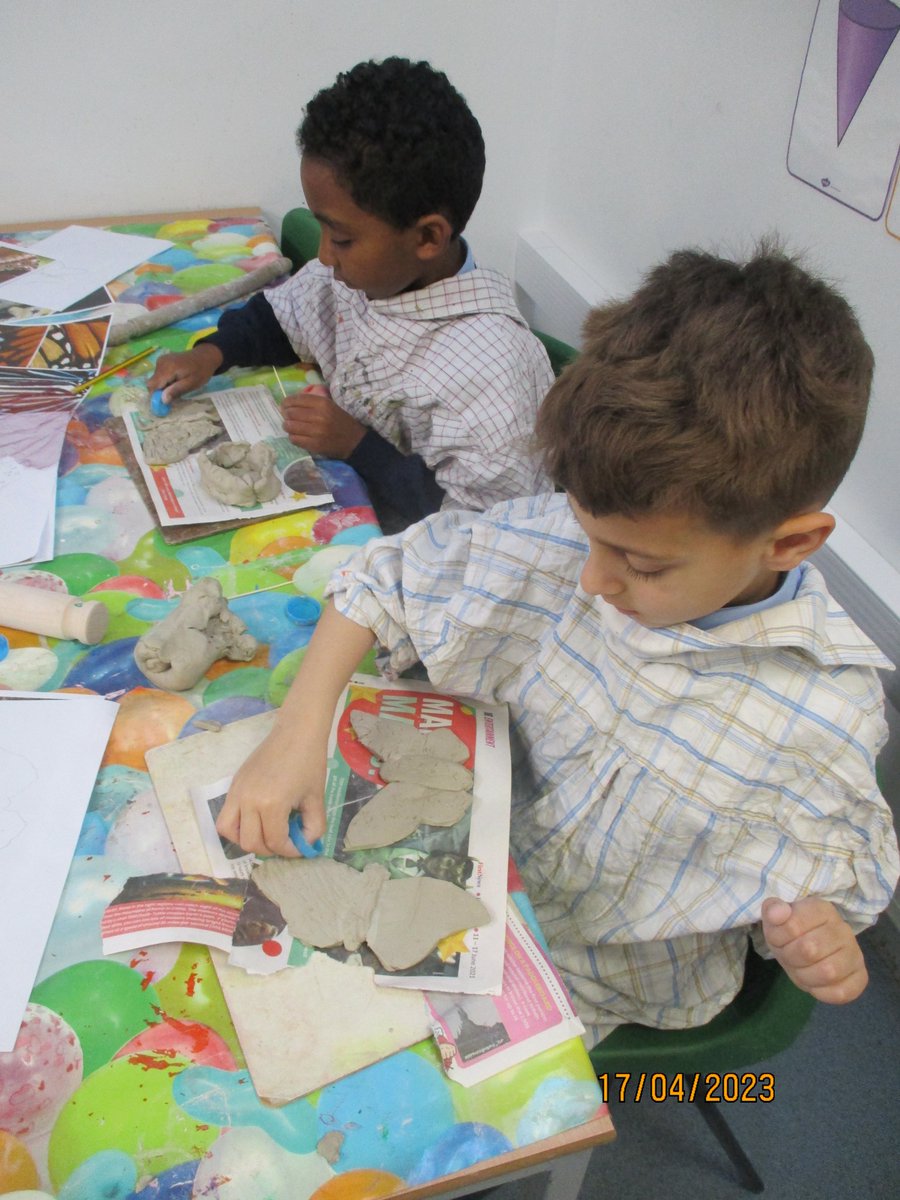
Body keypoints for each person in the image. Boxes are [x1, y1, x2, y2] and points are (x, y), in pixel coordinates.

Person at [217, 243, 898, 1044]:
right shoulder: (576, 536)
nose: (593, 581)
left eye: (641, 565)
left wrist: (819, 937)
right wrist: (297, 734)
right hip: (476, 854)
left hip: (585, 971)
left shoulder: (824, 713)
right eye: (589, 536)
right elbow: (383, 579)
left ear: (788, 544)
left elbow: (836, 878)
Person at [148, 57, 553, 527]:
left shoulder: (490, 376)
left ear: (426, 238)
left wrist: (359, 447)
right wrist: (212, 354)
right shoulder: (370, 276)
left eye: (340, 238)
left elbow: (489, 533)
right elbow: (284, 316)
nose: (322, 256)